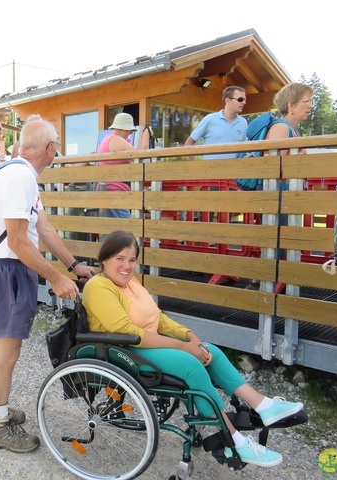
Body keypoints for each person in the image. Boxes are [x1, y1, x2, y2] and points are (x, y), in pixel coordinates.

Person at [82, 230, 304, 467]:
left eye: (132, 260)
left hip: (143, 344)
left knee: (211, 351)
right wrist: (184, 348)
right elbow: (128, 331)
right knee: (190, 365)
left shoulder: (130, 283)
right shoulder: (98, 287)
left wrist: (190, 337)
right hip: (122, 350)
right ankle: (233, 442)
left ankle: (264, 406)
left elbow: (158, 318)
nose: (127, 266)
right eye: (120, 258)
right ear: (104, 259)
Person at [0, 119, 95, 453]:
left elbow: (44, 229)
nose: (57, 149)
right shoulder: (19, 177)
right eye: (57, 143)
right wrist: (56, 278)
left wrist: (73, 266)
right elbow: (17, 240)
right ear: (49, 148)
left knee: (5, 344)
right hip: (8, 268)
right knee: (8, 347)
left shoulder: (19, 174)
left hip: (11, 268)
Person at [246, 82, 313, 290]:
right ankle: (268, 286)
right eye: (307, 101)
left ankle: (268, 283)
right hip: (276, 195)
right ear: (291, 105)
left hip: (281, 195)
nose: (311, 106)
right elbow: (271, 164)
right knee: (278, 241)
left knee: (279, 242)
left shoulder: (290, 129)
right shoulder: (282, 128)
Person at [96, 112, 151, 218]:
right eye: (129, 131)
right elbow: (140, 154)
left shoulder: (107, 139)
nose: (129, 135)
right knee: (125, 231)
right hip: (115, 193)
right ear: (125, 129)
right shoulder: (115, 139)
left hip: (108, 191)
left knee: (114, 232)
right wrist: (146, 134)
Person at [184, 86, 248, 160]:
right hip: (210, 170)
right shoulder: (210, 119)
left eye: (245, 100)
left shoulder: (243, 123)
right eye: (240, 99)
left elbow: (244, 150)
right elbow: (188, 143)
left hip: (234, 170)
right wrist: (196, 166)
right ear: (227, 100)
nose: (244, 102)